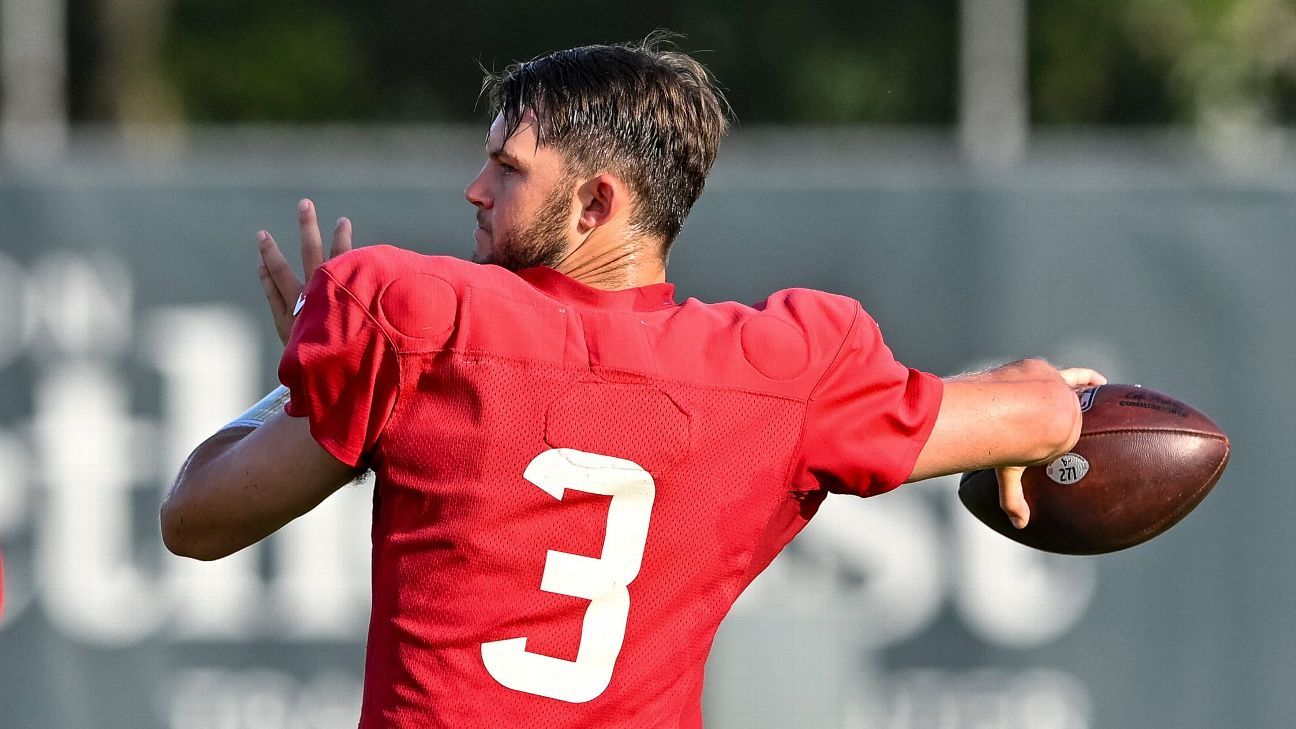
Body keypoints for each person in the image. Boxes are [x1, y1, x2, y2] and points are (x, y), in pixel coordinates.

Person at [161, 37, 1105, 728]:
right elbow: (1052, 407)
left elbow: (193, 516)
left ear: (595, 204)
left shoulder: (418, 325)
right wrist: (1026, 410)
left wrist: (312, 388)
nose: (474, 190)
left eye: (505, 167)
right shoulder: (781, 372)